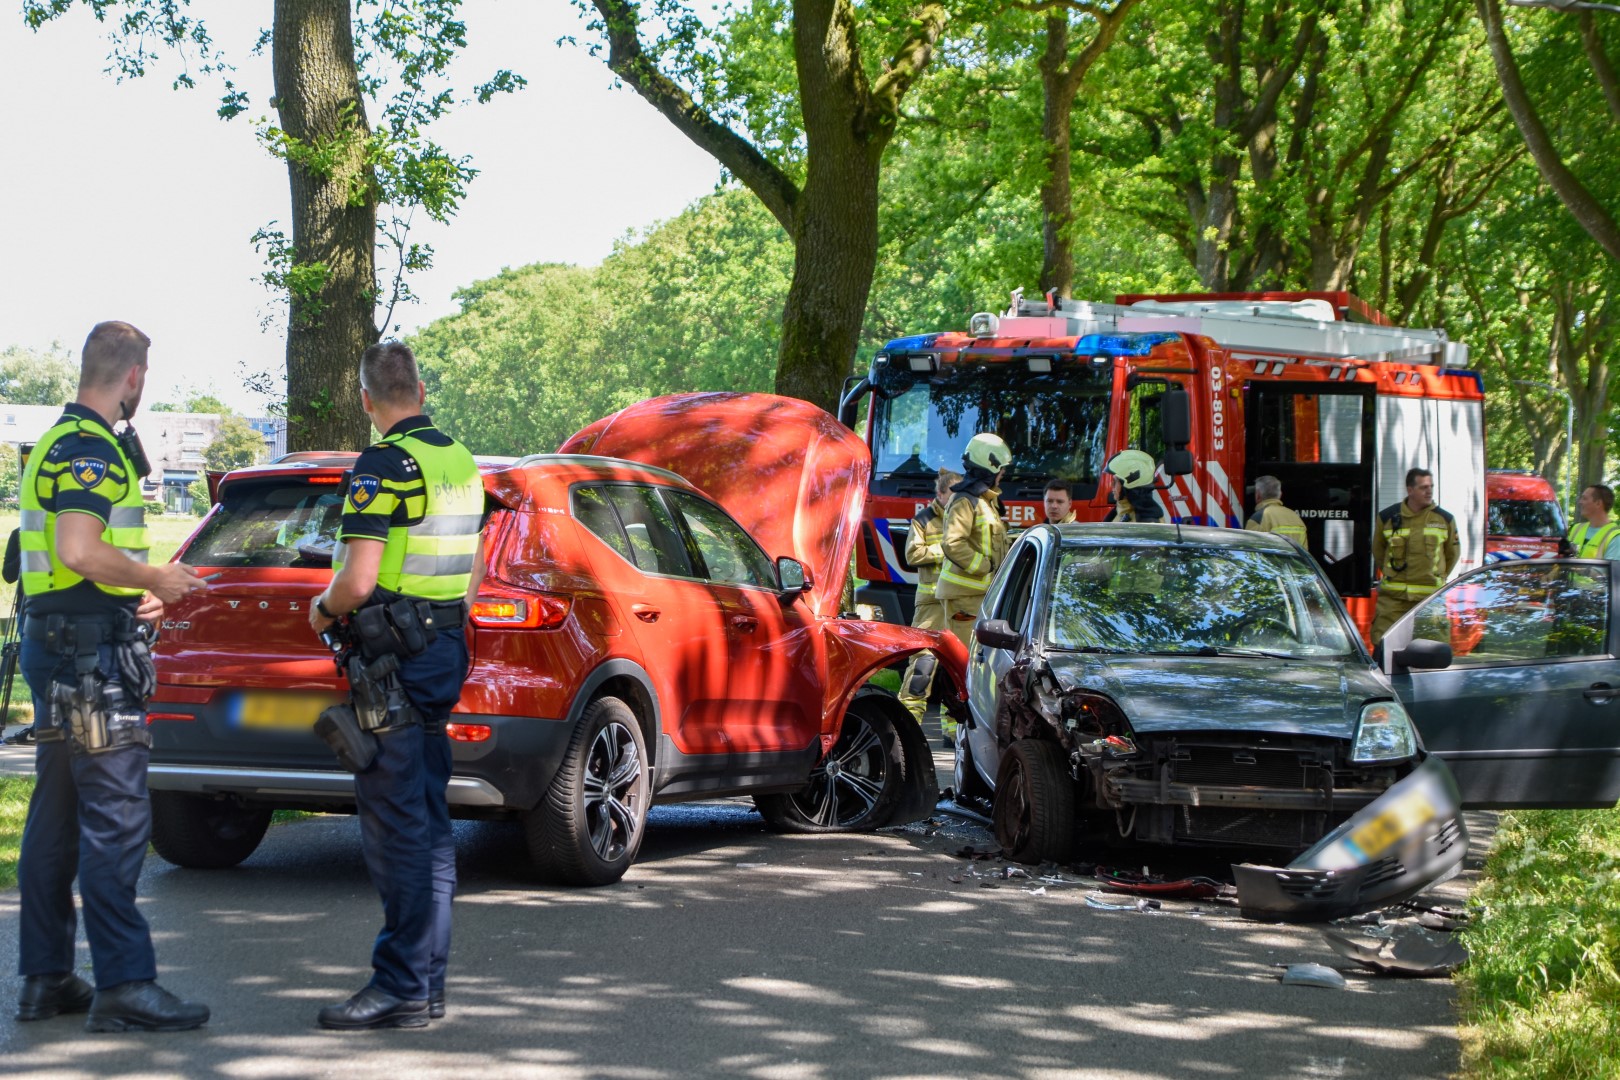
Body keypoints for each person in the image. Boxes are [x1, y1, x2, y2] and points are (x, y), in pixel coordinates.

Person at [15, 321, 210, 1031]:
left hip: (62, 643)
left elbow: (74, 563)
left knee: (57, 816)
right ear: (132, 377)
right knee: (118, 821)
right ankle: (125, 984)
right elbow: (79, 546)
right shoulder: (91, 448)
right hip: (91, 661)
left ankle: (45, 977)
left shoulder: (52, 447)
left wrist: (135, 591)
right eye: (144, 378)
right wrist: (154, 573)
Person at [309, 341, 485, 1030]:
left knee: (398, 830)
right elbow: (469, 570)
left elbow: (355, 581)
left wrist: (321, 611)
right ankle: (426, 983)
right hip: (439, 648)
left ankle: (402, 986)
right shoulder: (460, 462)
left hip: (394, 661)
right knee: (430, 825)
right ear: (418, 387)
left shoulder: (384, 464)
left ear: (366, 399)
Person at [936, 434, 1012, 747]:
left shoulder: (984, 501)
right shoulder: (964, 500)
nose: (1004, 474)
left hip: (980, 596)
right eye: (1002, 469)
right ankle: (952, 728)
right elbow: (952, 543)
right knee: (961, 663)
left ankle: (967, 725)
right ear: (989, 468)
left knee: (976, 664)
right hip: (965, 596)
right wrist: (984, 567)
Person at [896, 470, 960, 731]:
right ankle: (907, 726)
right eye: (952, 494)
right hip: (932, 603)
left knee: (957, 665)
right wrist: (946, 550)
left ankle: (954, 728)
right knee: (923, 664)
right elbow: (912, 554)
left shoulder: (966, 518)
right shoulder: (923, 519)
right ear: (940, 494)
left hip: (958, 602)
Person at [1372, 467, 1459, 642]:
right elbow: (1379, 552)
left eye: (1431, 487)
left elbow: (1452, 555)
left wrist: (1436, 577)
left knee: (1433, 649)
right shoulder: (1387, 518)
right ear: (1410, 490)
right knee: (1384, 647)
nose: (1429, 491)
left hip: (1429, 600)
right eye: (1423, 487)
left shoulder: (1444, 519)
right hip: (1393, 600)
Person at [1102, 449, 1164, 523]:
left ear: (1129, 487)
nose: (1111, 485)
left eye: (1115, 482)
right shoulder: (1117, 513)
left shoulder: (1149, 523)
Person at [1244, 475, 1307, 545]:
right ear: (1280, 495)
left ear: (1258, 495)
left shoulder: (1258, 518)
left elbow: (1250, 549)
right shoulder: (1296, 517)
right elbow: (1304, 552)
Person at [1567, 484, 1620, 559]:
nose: (1580, 502)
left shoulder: (1615, 536)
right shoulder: (1576, 528)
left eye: (1584, 498)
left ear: (1598, 503)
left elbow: (1610, 569)